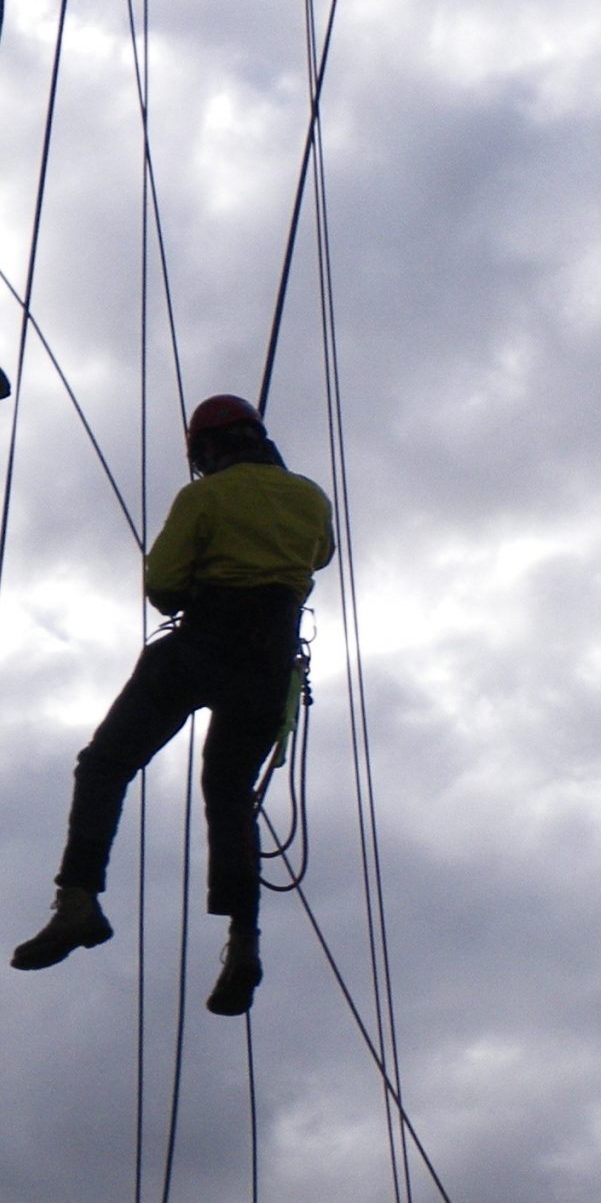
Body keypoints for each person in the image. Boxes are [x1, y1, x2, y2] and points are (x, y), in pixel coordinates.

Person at [12, 394, 335, 1016]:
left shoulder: (202, 498)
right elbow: (318, 556)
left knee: (105, 764)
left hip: (203, 646)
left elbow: (163, 587)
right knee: (229, 795)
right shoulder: (310, 497)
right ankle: (244, 942)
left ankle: (77, 900)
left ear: (207, 450)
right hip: (268, 663)